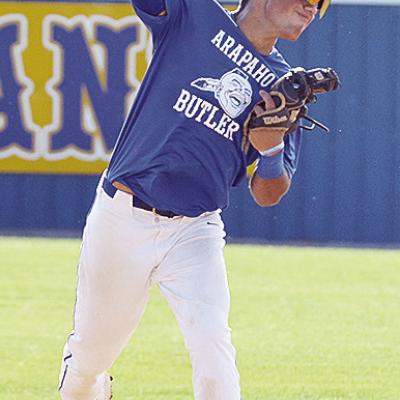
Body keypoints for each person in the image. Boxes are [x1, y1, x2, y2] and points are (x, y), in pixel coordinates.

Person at [58, 0, 330, 399]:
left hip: (195, 230)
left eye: (321, 4)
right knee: (89, 359)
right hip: (122, 217)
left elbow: (268, 193)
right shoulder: (195, 15)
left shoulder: (284, 87)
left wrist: (270, 149)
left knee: (213, 349)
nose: (312, 7)